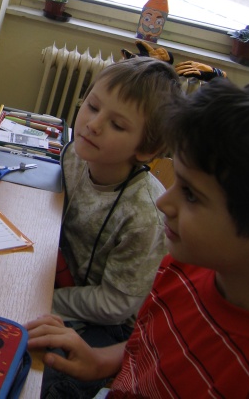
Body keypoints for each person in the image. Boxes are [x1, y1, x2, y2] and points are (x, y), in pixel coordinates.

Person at [27, 78, 249, 397]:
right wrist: (101, 361)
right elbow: (148, 340)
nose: (163, 202)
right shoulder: (181, 268)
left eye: (191, 195)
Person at [47, 57, 182, 396]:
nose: (93, 125)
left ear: (147, 149)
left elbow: (115, 305)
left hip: (108, 324)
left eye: (117, 125)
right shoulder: (75, 155)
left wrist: (45, 300)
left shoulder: (145, 215)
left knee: (47, 378)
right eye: (92, 106)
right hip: (60, 283)